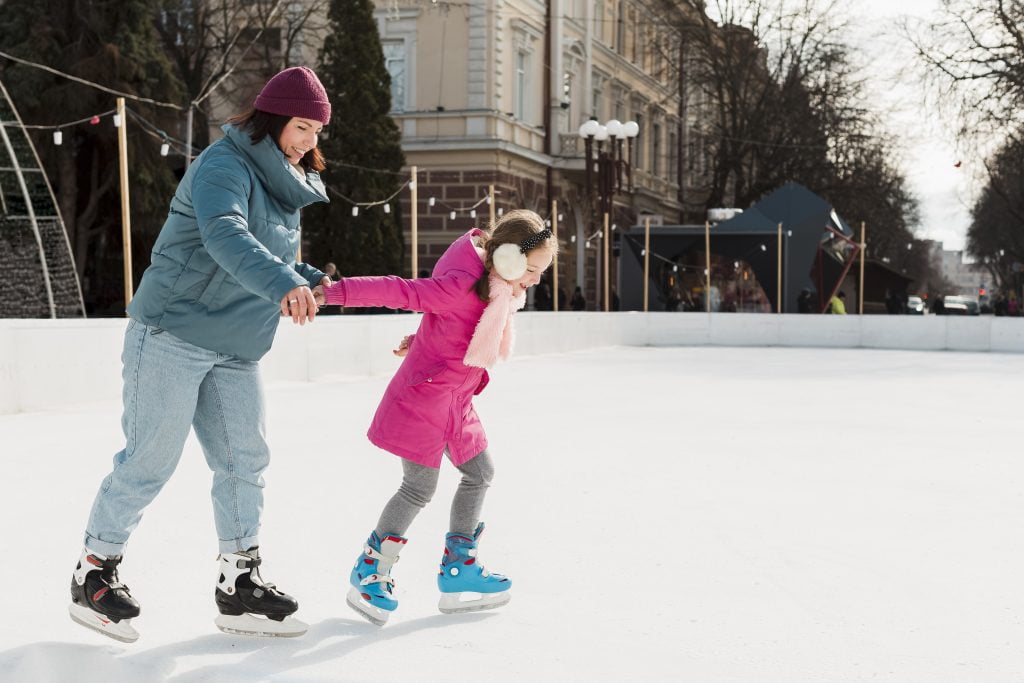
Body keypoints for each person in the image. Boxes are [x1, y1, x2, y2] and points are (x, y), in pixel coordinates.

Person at [69, 66, 333, 643]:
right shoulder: (224, 165)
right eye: (301, 126)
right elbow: (226, 234)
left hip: (236, 346)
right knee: (151, 458)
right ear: (270, 119)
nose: (309, 140)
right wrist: (284, 284)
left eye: (316, 130)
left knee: (246, 459)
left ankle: (238, 586)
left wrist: (316, 280)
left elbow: (268, 254)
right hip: (172, 333)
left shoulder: (284, 181)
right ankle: (93, 573)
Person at [314, 210, 556, 626]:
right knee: (418, 488)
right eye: (531, 270)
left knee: (480, 472)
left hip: (455, 398)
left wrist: (425, 340)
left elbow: (453, 329)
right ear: (508, 259)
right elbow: (400, 292)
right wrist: (331, 294)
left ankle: (459, 569)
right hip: (425, 398)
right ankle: (370, 569)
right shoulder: (461, 286)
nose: (534, 281)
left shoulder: (497, 291)